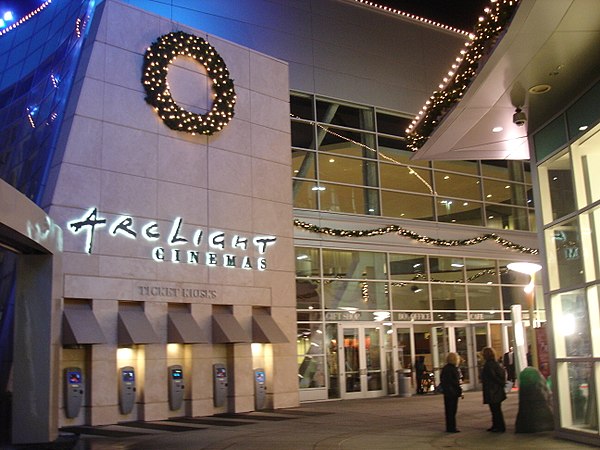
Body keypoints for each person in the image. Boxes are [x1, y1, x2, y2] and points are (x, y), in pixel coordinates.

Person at [481, 347, 507, 432]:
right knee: (496, 409)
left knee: (495, 410)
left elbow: (493, 377)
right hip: (496, 390)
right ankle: (496, 425)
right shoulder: (495, 364)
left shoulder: (489, 365)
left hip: (492, 390)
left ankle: (499, 426)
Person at [440, 352, 463, 433]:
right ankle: (452, 427)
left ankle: (449, 427)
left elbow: (443, 380)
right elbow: (456, 382)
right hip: (453, 392)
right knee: (452, 410)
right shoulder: (454, 369)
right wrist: (460, 391)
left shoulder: (445, 369)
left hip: (447, 392)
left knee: (448, 410)